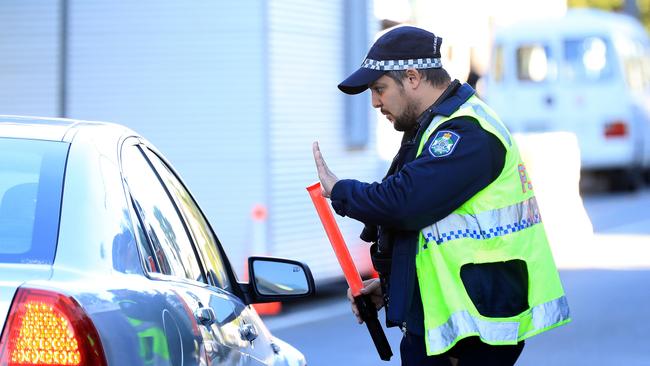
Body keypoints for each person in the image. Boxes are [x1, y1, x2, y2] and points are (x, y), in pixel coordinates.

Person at [312, 26, 570, 365]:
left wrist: (340, 190)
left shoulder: (468, 131)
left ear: (413, 76)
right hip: (456, 329)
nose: (375, 102)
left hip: (475, 335)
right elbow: (431, 234)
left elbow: (404, 203)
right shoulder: (436, 128)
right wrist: (392, 290)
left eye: (380, 88)